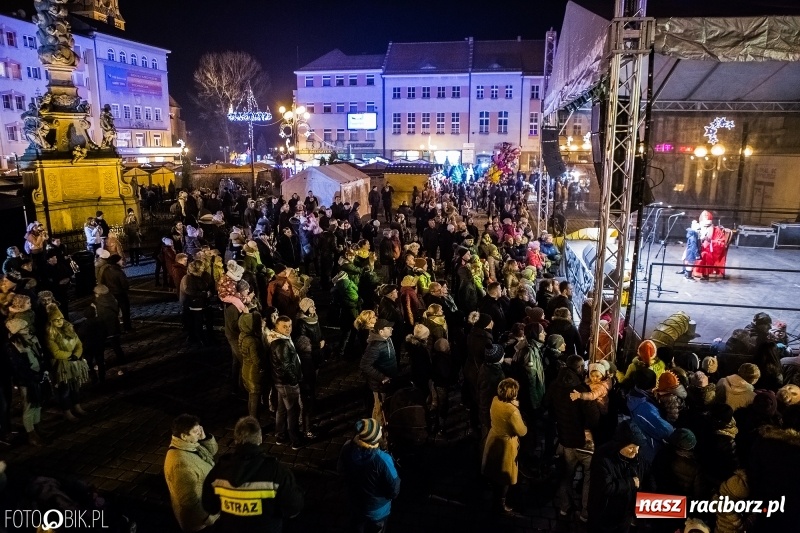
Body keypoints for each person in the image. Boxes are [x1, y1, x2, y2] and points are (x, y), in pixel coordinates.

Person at [202, 416, 304, 532]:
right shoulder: (277, 471)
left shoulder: (219, 470)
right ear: (260, 439)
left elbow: (209, 506)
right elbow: (293, 508)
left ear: (236, 439)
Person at [546, 354, 599, 521]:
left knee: (567, 473)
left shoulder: (555, 385)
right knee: (589, 477)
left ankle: (564, 507)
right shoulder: (581, 390)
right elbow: (594, 418)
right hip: (584, 442)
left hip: (566, 439)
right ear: (578, 369)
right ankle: (585, 513)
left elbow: (546, 405)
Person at [337, 418, 401, 532]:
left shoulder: (347, 447)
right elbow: (394, 488)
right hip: (377, 510)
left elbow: (341, 471)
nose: (381, 428)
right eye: (378, 428)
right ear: (374, 439)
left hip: (355, 503)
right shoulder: (383, 459)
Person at [586, 421, 646, 533]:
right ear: (621, 444)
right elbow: (606, 486)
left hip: (624, 516)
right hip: (604, 515)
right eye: (631, 448)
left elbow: (644, 474)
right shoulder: (603, 458)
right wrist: (631, 483)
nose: (636, 452)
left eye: (638, 447)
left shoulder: (636, 457)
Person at [164, 414, 219, 532]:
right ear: (184, 436)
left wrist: (204, 438)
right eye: (195, 431)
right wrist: (209, 518)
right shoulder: (181, 464)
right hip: (200, 524)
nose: (199, 432)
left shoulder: (188, 445)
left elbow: (211, 453)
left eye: (199, 428)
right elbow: (189, 503)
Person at [482, 378, 528, 513]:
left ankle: (494, 494)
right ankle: (500, 503)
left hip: (493, 439)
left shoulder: (495, 400)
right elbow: (522, 431)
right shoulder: (512, 411)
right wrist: (517, 408)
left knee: (494, 470)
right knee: (505, 477)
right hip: (507, 446)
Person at [265, 316, 306, 450]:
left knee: (281, 410)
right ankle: (295, 439)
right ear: (277, 327)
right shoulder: (281, 344)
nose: (288, 329)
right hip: (287, 383)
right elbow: (286, 366)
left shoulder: (279, 339)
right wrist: (295, 380)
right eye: (284, 326)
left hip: (280, 382)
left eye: (289, 326)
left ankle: (280, 435)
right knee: (293, 410)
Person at [6, 318, 49, 446]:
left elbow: (39, 355)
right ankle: (31, 433)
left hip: (37, 375)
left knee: (38, 403)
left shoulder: (30, 339)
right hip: (26, 379)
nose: (27, 329)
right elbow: (18, 367)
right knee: (29, 405)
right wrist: (32, 376)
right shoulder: (13, 346)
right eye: (24, 328)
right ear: (17, 331)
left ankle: (37, 426)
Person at [44, 304, 88, 422]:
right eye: (56, 320)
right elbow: (55, 352)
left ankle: (77, 406)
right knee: (65, 390)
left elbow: (78, 343)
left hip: (74, 363)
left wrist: (77, 354)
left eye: (60, 319)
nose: (59, 322)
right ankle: (67, 411)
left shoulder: (69, 328)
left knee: (75, 387)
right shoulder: (50, 335)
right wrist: (70, 355)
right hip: (62, 366)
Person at [360, 319, 398, 425]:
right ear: (381, 332)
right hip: (380, 385)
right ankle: (378, 431)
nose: (392, 329)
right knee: (380, 409)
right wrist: (382, 377)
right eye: (388, 328)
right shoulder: (375, 346)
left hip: (389, 381)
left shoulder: (388, 339)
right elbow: (364, 365)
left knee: (386, 407)